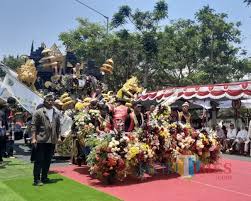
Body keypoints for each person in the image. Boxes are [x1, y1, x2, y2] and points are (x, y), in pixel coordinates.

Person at [31, 93, 61, 186]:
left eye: (52, 100)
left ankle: (44, 177)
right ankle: (36, 180)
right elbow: (33, 126)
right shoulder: (38, 112)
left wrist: (58, 137)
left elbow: (58, 127)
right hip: (41, 140)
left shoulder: (56, 113)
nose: (51, 101)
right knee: (39, 160)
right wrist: (33, 138)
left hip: (51, 140)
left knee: (48, 160)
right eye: (48, 100)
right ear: (44, 101)